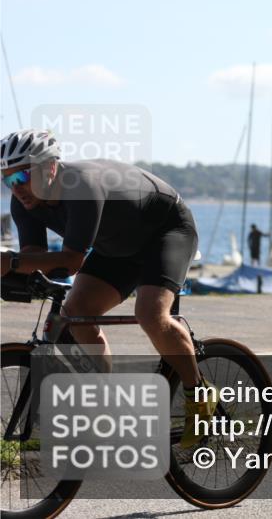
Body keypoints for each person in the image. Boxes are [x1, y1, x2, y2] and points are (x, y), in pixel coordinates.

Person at [0, 129, 215, 447]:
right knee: (77, 313)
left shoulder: (83, 186)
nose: (15, 189)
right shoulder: (25, 204)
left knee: (150, 313)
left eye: (21, 177)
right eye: (7, 180)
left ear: (50, 168)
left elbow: (71, 261)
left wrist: (12, 263)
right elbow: (34, 257)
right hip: (118, 248)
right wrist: (14, 268)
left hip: (166, 230)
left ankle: (199, 396)